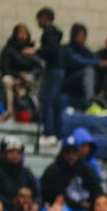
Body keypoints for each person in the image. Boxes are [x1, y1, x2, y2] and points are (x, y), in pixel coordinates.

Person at [40, 136, 102, 211]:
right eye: (68, 152)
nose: (71, 156)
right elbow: (56, 197)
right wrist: (80, 205)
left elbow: (97, 189)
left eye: (74, 152)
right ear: (62, 153)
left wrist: (94, 204)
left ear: (78, 153)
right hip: (61, 208)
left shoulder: (86, 169)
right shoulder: (53, 171)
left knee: (102, 210)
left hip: (85, 207)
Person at [61, 23, 107, 114]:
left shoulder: (85, 50)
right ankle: (91, 105)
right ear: (74, 35)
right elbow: (78, 61)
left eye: (84, 36)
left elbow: (96, 59)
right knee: (89, 70)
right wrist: (100, 63)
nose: (82, 38)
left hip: (87, 81)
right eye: (80, 35)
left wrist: (106, 64)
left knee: (106, 72)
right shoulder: (67, 49)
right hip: (70, 81)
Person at [0, 136, 39, 210]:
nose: (15, 155)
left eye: (18, 152)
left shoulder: (26, 172)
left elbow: (37, 194)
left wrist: (35, 205)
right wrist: (12, 204)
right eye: (11, 152)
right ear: (3, 153)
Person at [0, 23, 44, 121]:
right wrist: (19, 75)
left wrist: (31, 75)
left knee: (40, 82)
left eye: (25, 33)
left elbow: (39, 66)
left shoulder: (31, 50)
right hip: (13, 77)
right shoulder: (8, 49)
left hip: (29, 79)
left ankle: (36, 114)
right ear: (15, 34)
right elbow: (4, 69)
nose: (23, 36)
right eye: (20, 33)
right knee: (6, 80)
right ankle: (9, 111)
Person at [35, 8, 64, 145]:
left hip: (53, 70)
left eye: (39, 19)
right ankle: (57, 135)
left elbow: (50, 50)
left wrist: (36, 51)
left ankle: (49, 133)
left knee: (48, 101)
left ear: (45, 18)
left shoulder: (49, 31)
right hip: (58, 70)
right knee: (56, 103)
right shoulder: (54, 33)